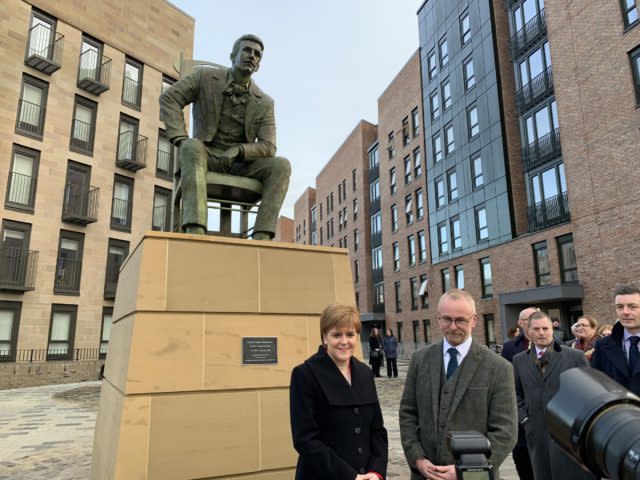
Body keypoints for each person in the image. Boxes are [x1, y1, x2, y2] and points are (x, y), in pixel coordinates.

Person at [160, 34, 291, 239]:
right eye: (247, 50)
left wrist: (239, 151)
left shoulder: (265, 102)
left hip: (241, 165)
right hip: (205, 155)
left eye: (257, 55)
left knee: (281, 165)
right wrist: (181, 139)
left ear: (258, 66)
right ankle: (196, 230)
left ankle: (262, 237)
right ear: (232, 55)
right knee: (192, 147)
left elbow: (268, 146)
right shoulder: (204, 78)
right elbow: (170, 98)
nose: (252, 56)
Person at [399, 289, 517, 480]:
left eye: (461, 320)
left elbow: (506, 432)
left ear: (474, 320)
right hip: (425, 475)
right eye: (447, 319)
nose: (453, 327)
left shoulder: (499, 367)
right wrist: (418, 458)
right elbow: (408, 413)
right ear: (438, 319)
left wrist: (467, 469)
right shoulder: (419, 360)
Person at [289, 304, 388, 480]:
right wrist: (350, 476)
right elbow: (305, 440)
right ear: (324, 337)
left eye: (350, 334)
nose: (344, 341)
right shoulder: (305, 374)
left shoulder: (365, 373)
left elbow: (377, 430)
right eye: (336, 335)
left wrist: (376, 472)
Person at [513, 311, 595, 480]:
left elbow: (589, 392)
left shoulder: (575, 356)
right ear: (528, 332)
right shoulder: (519, 360)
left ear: (552, 329)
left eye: (545, 328)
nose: (541, 332)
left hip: (569, 433)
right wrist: (525, 419)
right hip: (537, 432)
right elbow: (516, 394)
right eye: (536, 329)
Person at [501, 307, 538, 480]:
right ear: (520, 323)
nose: (531, 321)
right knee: (524, 465)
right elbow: (505, 380)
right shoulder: (510, 347)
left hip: (546, 417)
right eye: (527, 319)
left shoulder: (555, 343)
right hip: (520, 417)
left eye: (535, 317)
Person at [592, 285, 640, 396]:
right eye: (620, 307)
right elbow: (597, 385)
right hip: (618, 411)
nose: (625, 312)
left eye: (632, 306)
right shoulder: (602, 345)